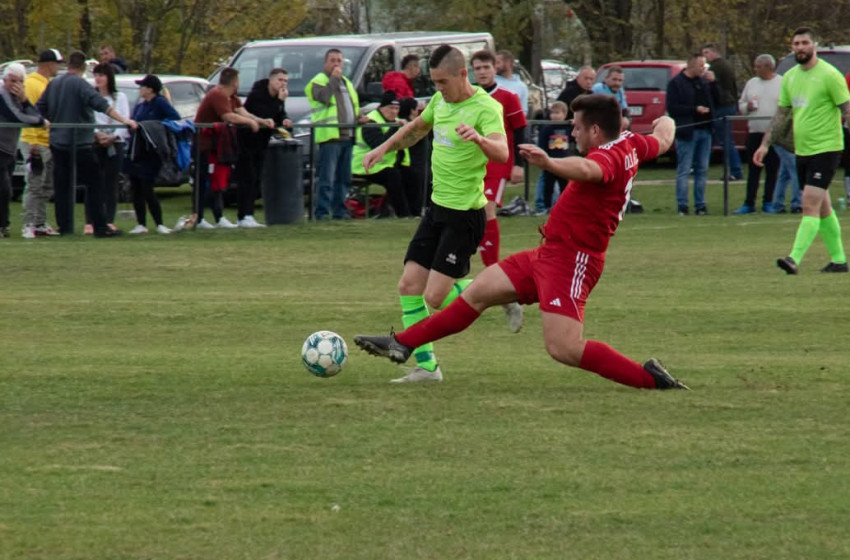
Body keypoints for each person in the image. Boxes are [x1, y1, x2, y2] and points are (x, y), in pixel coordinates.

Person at [354, 95, 689, 391]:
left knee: (563, 348)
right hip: (548, 253)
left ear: (596, 132)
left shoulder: (608, 158)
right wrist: (667, 119)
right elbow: (662, 138)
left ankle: (650, 379)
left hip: (573, 262)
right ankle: (402, 343)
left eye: (576, 128)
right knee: (477, 292)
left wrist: (550, 163)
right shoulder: (630, 142)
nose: (572, 133)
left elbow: (587, 169)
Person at [359, 44, 508, 383]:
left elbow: (501, 151)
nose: (437, 89)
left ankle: (502, 292)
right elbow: (415, 131)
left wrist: (480, 139)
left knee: (435, 297)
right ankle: (427, 367)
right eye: (434, 82)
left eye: (442, 81)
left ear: (462, 74)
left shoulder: (487, 108)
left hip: (465, 216)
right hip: (436, 210)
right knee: (409, 285)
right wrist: (382, 148)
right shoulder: (440, 101)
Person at [753, 27, 850, 274]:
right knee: (824, 207)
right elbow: (782, 115)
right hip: (803, 150)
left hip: (827, 149)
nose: (800, 47)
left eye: (804, 42)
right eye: (796, 43)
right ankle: (839, 260)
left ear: (814, 45)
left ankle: (793, 259)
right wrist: (765, 144)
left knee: (809, 205)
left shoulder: (830, 75)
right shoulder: (792, 77)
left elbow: (847, 110)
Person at [37, 50, 137, 237]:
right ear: (83, 68)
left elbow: (40, 109)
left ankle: (65, 227)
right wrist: (125, 120)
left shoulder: (54, 84)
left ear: (68, 66)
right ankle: (100, 226)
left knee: (63, 186)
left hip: (57, 142)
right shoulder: (81, 84)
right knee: (95, 182)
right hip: (79, 143)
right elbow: (101, 105)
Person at [469, 50, 526, 332]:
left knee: (486, 209)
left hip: (499, 165)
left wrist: (520, 164)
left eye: (486, 67)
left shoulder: (508, 97)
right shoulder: (469, 98)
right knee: (474, 216)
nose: (482, 72)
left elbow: (521, 131)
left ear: (496, 68)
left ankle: (495, 275)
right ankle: (504, 291)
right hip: (472, 167)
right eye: (477, 68)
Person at [194, 67, 272, 229]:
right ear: (235, 82)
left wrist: (262, 121)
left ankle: (218, 217)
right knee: (204, 181)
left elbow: (243, 112)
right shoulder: (217, 94)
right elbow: (228, 116)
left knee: (218, 181)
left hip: (218, 147)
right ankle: (200, 218)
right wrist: (250, 123)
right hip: (205, 146)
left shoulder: (232, 97)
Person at [306, 49, 360, 220]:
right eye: (332, 60)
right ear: (325, 63)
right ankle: (321, 212)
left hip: (348, 136)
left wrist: (359, 118)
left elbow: (351, 106)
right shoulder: (317, 82)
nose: (336, 64)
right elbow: (324, 97)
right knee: (326, 179)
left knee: (343, 179)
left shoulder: (347, 83)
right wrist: (334, 78)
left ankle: (340, 212)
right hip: (330, 137)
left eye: (339, 61)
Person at [235, 68, 293, 228]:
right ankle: (243, 215)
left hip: (262, 143)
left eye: (285, 81)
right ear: (271, 80)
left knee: (257, 179)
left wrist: (285, 119)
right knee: (248, 178)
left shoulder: (278, 97)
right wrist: (280, 102)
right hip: (247, 141)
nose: (283, 84)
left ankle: (248, 215)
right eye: (280, 80)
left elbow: (278, 115)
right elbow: (264, 116)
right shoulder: (258, 94)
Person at [126, 74, 181, 234]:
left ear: (150, 89)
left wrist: (153, 127)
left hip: (152, 152)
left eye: (142, 86)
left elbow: (174, 119)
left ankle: (159, 223)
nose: (140, 89)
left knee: (147, 187)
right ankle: (141, 224)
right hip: (138, 150)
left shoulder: (160, 103)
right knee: (136, 187)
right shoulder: (140, 106)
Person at [666, 53, 718, 215]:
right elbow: (672, 108)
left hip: (705, 130)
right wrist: (694, 109)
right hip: (687, 131)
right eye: (701, 66)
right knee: (684, 169)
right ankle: (683, 205)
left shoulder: (704, 82)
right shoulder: (676, 83)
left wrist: (714, 84)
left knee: (702, 169)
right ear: (691, 66)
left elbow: (718, 100)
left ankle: (700, 205)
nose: (704, 69)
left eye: (705, 66)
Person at [0, 63, 46, 238]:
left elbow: (34, 112)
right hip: (1, 147)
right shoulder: (2, 93)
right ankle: (3, 225)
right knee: (4, 189)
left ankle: (3, 225)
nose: (15, 85)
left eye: (19, 81)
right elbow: (16, 116)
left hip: (9, 148)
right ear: (5, 80)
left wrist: (25, 99)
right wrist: (39, 122)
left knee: (6, 188)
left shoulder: (18, 96)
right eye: (12, 81)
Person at [20, 49, 62, 239]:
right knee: (34, 183)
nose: (58, 67)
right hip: (34, 141)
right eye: (57, 63)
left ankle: (39, 222)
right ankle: (28, 223)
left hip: (47, 140)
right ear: (48, 64)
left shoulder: (48, 84)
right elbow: (29, 113)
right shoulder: (31, 83)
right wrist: (35, 141)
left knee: (46, 185)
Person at [732, 54, 781, 214]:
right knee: (753, 169)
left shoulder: (781, 83)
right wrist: (748, 107)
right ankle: (749, 203)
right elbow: (741, 104)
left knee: (772, 170)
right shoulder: (751, 83)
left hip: (774, 134)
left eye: (758, 66)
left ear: (768, 67)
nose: (755, 69)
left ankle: (768, 202)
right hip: (754, 132)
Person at [351, 91, 411, 218]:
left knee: (412, 175)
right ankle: (403, 215)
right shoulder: (371, 121)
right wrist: (395, 128)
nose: (394, 112)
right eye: (390, 108)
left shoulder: (396, 122)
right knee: (393, 176)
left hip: (383, 164)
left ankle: (414, 212)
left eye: (396, 108)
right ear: (381, 108)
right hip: (364, 165)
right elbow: (380, 145)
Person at [87, 63, 131, 234]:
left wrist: (114, 136)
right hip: (96, 142)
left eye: (102, 75)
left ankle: (109, 220)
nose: (98, 78)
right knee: (93, 182)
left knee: (110, 183)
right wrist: (97, 134)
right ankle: (90, 221)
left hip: (115, 143)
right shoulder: (91, 97)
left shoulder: (120, 97)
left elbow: (124, 119)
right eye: (96, 75)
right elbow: (89, 119)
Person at [702, 42, 744, 181]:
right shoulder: (726, 65)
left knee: (726, 141)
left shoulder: (716, 67)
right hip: (730, 105)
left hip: (723, 106)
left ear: (714, 52)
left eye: (706, 53)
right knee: (724, 140)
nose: (705, 56)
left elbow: (712, 87)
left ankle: (735, 170)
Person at [536, 100, 570, 213]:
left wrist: (574, 123)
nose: (554, 115)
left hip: (564, 163)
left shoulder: (567, 128)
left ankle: (564, 206)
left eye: (557, 113)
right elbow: (541, 144)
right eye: (553, 113)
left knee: (564, 186)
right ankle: (546, 207)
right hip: (550, 162)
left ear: (564, 114)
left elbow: (575, 137)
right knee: (548, 186)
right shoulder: (547, 128)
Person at [495, 50, 529, 115]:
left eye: (498, 63)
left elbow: (523, 111)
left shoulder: (521, 86)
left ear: (508, 63)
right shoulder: (492, 81)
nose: (496, 66)